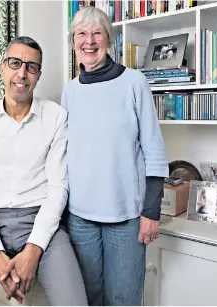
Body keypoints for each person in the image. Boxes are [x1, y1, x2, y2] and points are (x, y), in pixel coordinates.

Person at [0, 36, 88, 306]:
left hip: (40, 221)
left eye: (31, 67)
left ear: (38, 75)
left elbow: (59, 188)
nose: (21, 73)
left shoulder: (56, 117)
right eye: (15, 63)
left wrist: (34, 249)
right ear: (3, 68)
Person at [61, 7, 169, 306]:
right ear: (74, 42)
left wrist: (151, 211)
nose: (89, 41)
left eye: (97, 33)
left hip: (127, 216)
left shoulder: (134, 83)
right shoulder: (69, 92)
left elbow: (155, 151)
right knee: (87, 297)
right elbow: (67, 155)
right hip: (80, 217)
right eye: (81, 34)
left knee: (123, 299)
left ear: (108, 39)